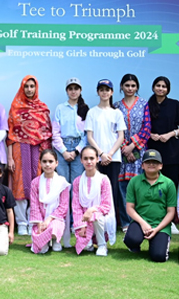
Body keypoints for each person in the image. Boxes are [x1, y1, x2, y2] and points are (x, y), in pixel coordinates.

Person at [7, 75, 53, 236]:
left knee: (37, 184)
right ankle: (21, 223)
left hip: (38, 151)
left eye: (32, 86)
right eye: (26, 86)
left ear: (36, 88)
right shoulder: (16, 107)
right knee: (20, 185)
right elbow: (11, 135)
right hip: (20, 149)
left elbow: (47, 133)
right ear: (22, 88)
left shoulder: (42, 107)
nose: (29, 89)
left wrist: (47, 156)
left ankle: (34, 220)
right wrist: (10, 157)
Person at [147, 76, 179, 235]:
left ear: (168, 89)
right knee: (153, 186)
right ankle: (154, 218)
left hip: (171, 151)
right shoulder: (147, 105)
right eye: (158, 85)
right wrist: (150, 135)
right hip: (152, 150)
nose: (161, 88)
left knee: (170, 187)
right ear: (153, 87)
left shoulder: (174, 104)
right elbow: (142, 126)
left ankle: (170, 221)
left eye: (164, 86)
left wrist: (170, 134)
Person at [52, 77, 88, 247]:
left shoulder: (84, 109)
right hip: (62, 149)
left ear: (80, 90)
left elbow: (87, 135)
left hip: (78, 148)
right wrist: (64, 151)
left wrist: (76, 151)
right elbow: (55, 133)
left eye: (76, 88)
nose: (73, 91)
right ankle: (62, 223)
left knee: (76, 188)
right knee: (62, 188)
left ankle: (75, 223)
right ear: (67, 90)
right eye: (70, 88)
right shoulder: (60, 108)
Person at [85, 79, 126, 227]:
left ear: (112, 92)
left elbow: (121, 136)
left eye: (107, 90)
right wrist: (101, 153)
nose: (104, 92)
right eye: (101, 90)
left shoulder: (117, 113)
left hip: (114, 158)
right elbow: (90, 136)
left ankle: (111, 222)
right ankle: (95, 221)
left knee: (112, 190)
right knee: (96, 190)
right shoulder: (92, 112)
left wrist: (109, 153)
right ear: (98, 92)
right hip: (96, 158)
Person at [124, 149, 176, 263]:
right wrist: (143, 224)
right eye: (148, 162)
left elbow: (171, 211)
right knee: (132, 239)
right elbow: (129, 208)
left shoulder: (168, 183)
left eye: (155, 162)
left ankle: (156, 242)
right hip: (140, 222)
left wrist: (156, 229)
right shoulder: (134, 181)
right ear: (142, 165)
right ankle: (134, 244)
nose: (151, 164)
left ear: (161, 166)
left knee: (159, 256)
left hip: (160, 225)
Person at [114, 74, 151, 231]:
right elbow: (114, 130)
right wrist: (124, 147)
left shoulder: (143, 104)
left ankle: (140, 221)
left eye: (133, 86)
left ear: (137, 87)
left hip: (139, 151)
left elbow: (147, 127)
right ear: (121, 87)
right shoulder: (116, 106)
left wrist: (133, 146)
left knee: (139, 187)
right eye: (127, 85)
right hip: (120, 151)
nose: (130, 88)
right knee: (123, 187)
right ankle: (126, 222)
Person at [72, 146, 116, 256]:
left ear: (97, 159)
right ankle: (89, 241)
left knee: (96, 217)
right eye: (85, 159)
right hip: (83, 220)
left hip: (102, 218)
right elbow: (76, 207)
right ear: (81, 160)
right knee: (86, 247)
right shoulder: (78, 181)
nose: (89, 162)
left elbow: (106, 206)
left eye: (92, 158)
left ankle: (102, 245)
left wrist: (91, 210)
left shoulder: (103, 179)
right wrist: (81, 225)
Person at [29, 149, 70, 254]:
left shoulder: (62, 183)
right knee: (41, 250)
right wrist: (39, 223)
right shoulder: (35, 183)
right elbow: (34, 205)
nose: (47, 165)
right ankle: (45, 241)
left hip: (55, 219)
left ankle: (56, 240)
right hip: (41, 220)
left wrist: (49, 220)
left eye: (51, 161)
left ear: (56, 163)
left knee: (54, 227)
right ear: (40, 163)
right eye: (44, 161)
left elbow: (63, 206)